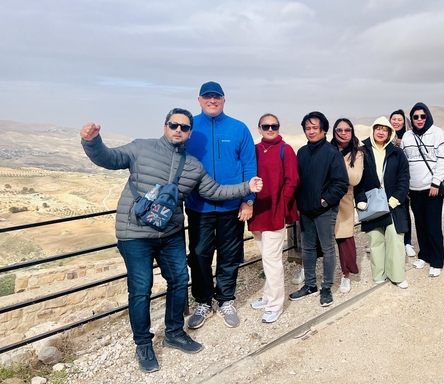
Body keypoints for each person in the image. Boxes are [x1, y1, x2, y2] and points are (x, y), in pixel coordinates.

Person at [80, 109, 262, 373]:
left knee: (178, 280)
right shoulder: (141, 148)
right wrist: (92, 141)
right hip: (134, 233)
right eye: (174, 125)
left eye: (184, 127)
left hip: (170, 234)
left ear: (189, 132)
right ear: (165, 126)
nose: (178, 130)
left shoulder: (193, 166)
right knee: (141, 289)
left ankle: (175, 333)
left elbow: (214, 191)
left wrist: (247, 188)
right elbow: (108, 158)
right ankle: (143, 344)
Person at [185, 81, 258, 330]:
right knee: (199, 256)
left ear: (224, 100)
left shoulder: (239, 128)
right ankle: (203, 302)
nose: (212, 100)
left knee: (228, 257)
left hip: (231, 207)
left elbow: (250, 166)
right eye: (207, 97)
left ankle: (226, 299)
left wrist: (248, 201)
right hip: (198, 207)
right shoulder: (190, 128)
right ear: (199, 100)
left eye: (217, 96)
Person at [289, 111, 349, 307]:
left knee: (327, 247)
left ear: (323, 130)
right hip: (306, 210)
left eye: (315, 128)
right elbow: (297, 181)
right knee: (307, 248)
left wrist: (324, 202)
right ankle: (310, 285)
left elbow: (341, 183)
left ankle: (326, 287)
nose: (311, 131)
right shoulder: (302, 153)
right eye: (308, 128)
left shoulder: (332, 153)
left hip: (324, 211)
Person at [248, 114, 299, 324]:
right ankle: (269, 296)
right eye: (266, 126)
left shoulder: (285, 149)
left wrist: (282, 205)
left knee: (272, 260)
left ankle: (275, 305)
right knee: (266, 258)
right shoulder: (255, 149)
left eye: (274, 126)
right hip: (257, 211)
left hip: (275, 211)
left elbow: (292, 180)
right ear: (259, 128)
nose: (270, 129)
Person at [355, 117, 410, 288]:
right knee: (375, 239)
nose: (380, 132)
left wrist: (396, 199)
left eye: (384, 129)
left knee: (395, 238)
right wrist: (360, 199)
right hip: (371, 204)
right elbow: (358, 179)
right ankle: (379, 274)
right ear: (372, 130)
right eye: (377, 128)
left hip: (393, 203)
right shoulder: (361, 152)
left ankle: (397, 275)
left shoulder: (397, 152)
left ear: (390, 133)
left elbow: (404, 177)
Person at [400, 103, 444, 278]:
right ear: (412, 119)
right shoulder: (407, 137)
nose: (420, 120)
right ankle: (424, 255)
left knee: (433, 225)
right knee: (420, 224)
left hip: (432, 189)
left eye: (423, 116)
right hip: (414, 189)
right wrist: (406, 186)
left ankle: (437, 261)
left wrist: (436, 183)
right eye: (416, 117)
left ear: (428, 116)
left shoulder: (438, 134)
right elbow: (404, 163)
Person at [330, 118, 363, 294]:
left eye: (347, 130)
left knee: (345, 238)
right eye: (339, 130)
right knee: (318, 239)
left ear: (352, 132)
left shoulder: (357, 154)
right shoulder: (326, 149)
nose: (343, 133)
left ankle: (346, 274)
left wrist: (337, 158)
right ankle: (308, 271)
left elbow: (355, 178)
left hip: (344, 200)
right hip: (325, 200)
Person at [389, 109, 416, 258]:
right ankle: (386, 241)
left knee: (404, 211)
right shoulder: (384, 136)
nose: (396, 122)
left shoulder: (409, 137)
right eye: (394, 119)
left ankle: (407, 242)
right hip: (388, 181)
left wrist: (403, 144)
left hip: (404, 180)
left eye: (400, 120)